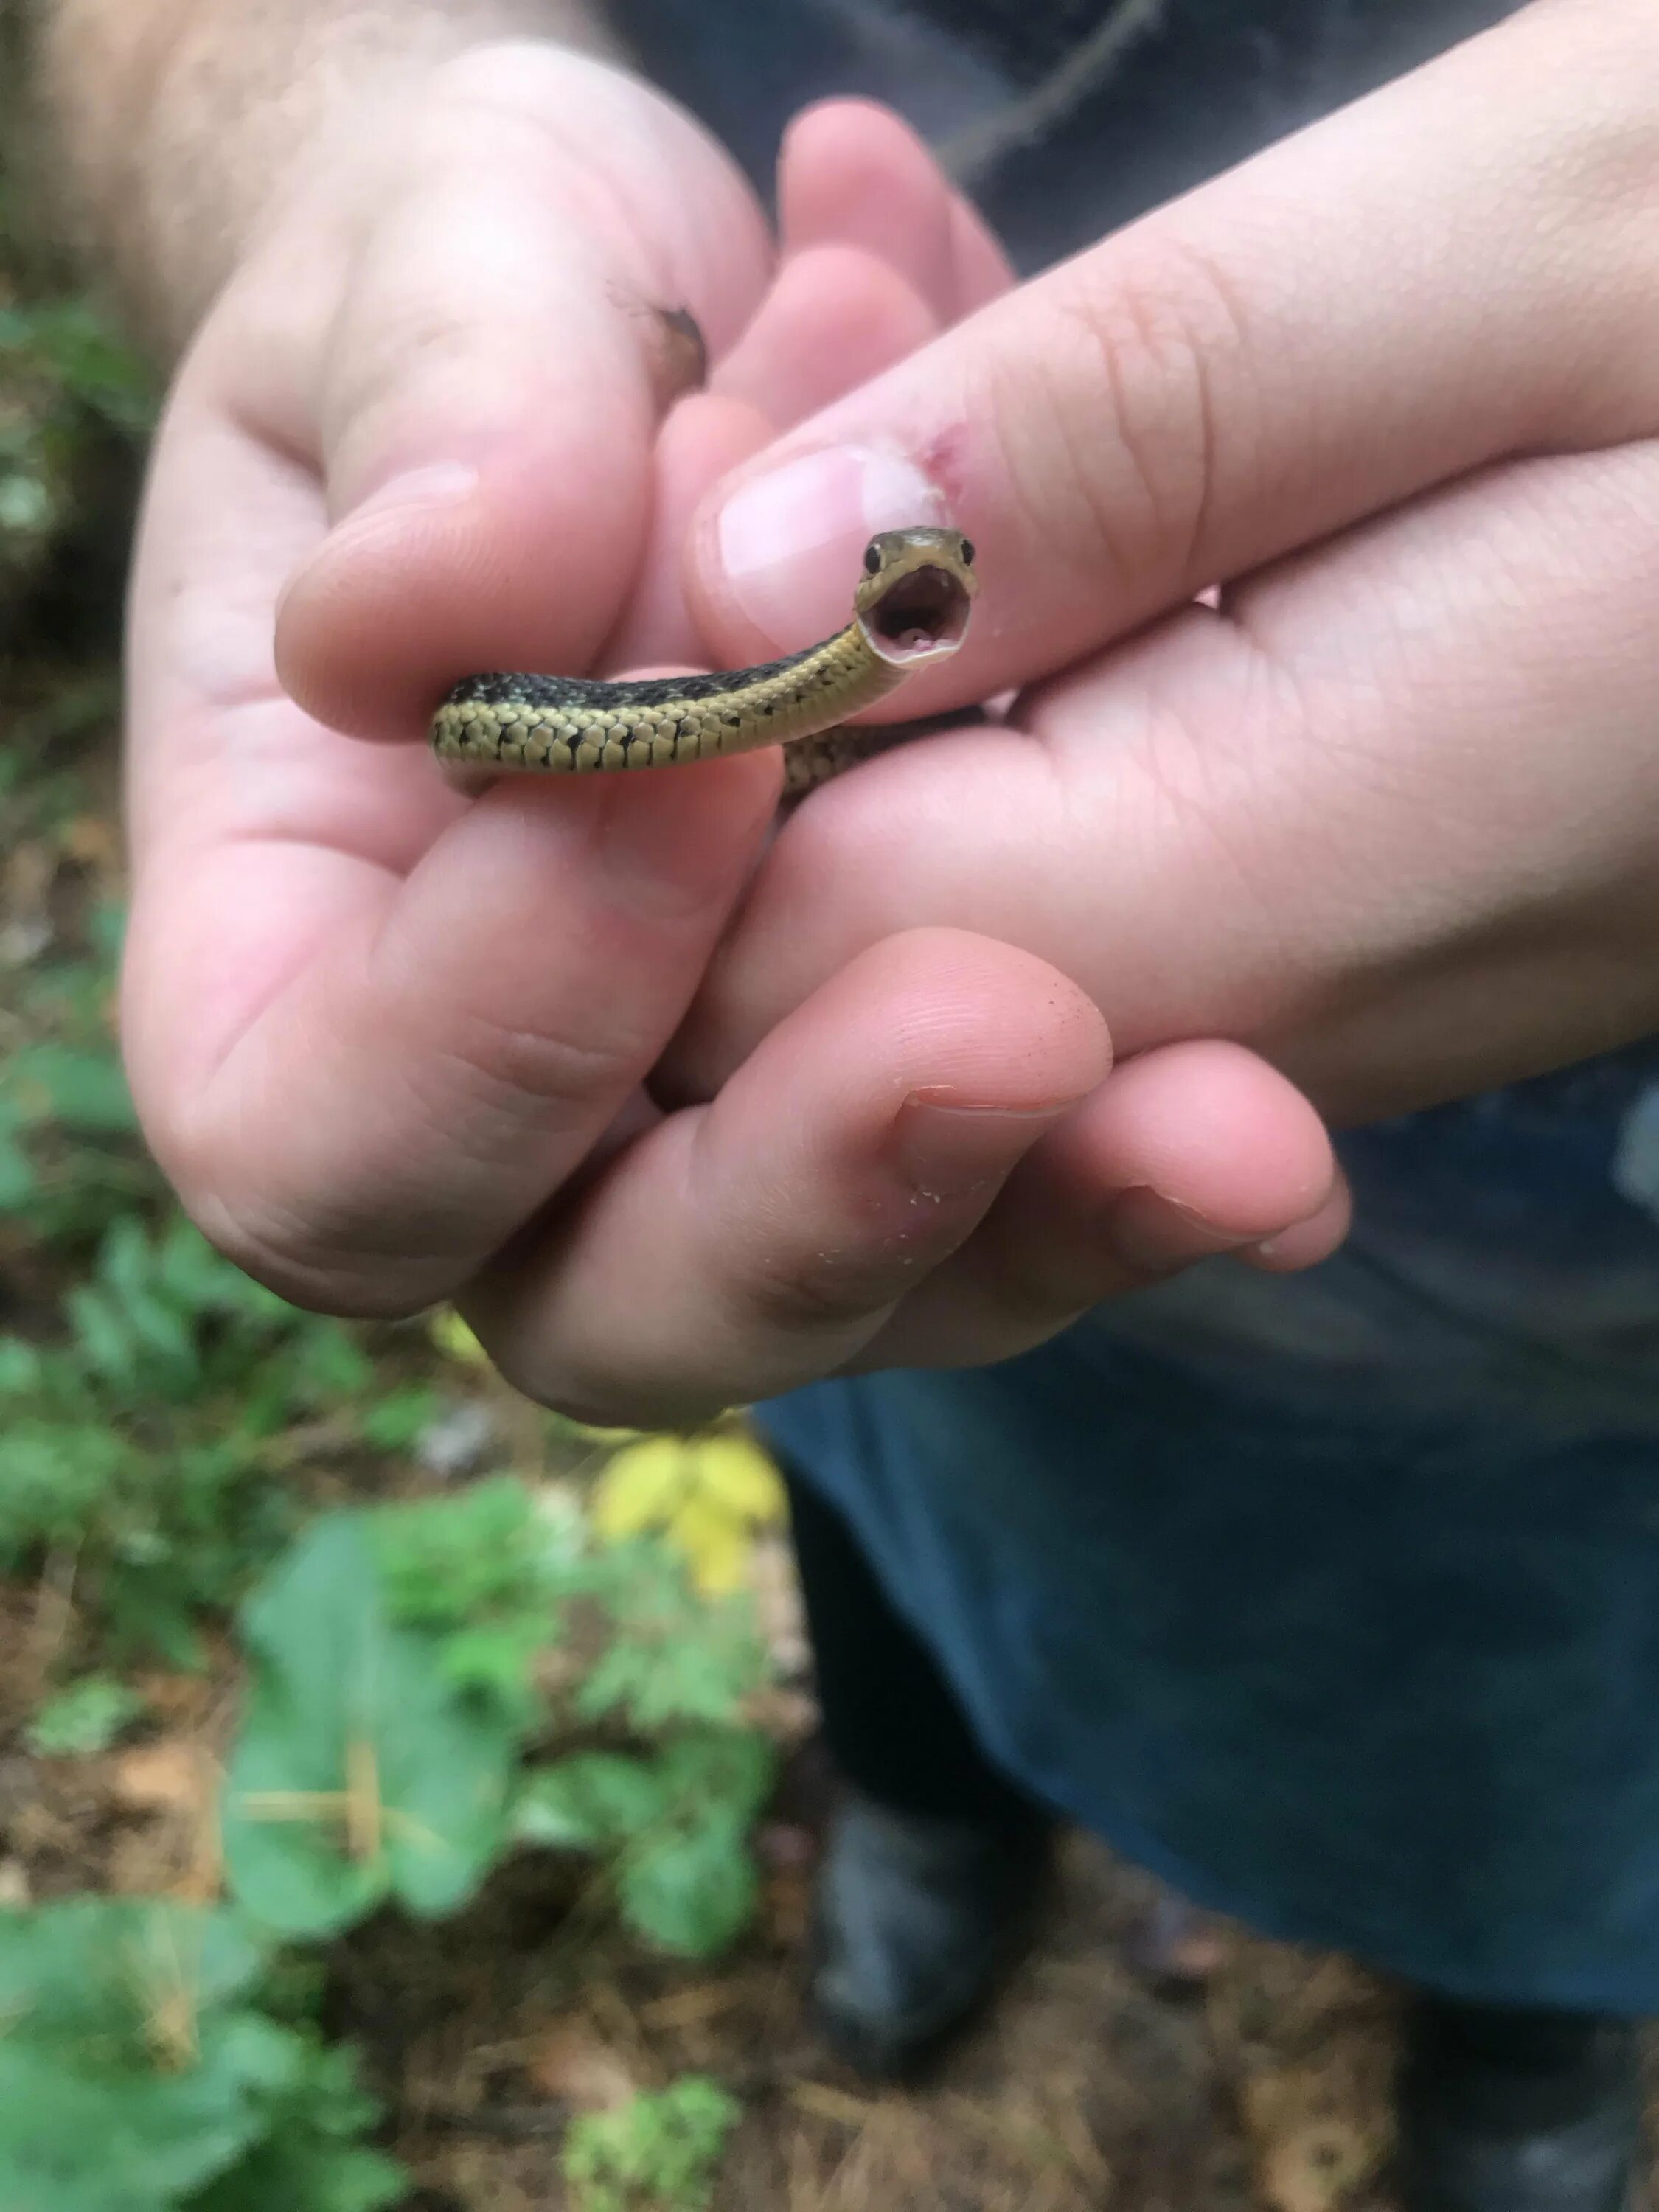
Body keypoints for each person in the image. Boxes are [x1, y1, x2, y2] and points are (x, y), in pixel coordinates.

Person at [32, 1, 1659, 2205]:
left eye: (910, 589)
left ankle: (1521, 2036)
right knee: (886, 1484)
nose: (901, 584)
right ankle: (919, 1810)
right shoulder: (805, 663)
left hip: (1586, 1381)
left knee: (1552, 1719)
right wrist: (342, 146)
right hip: (860, 1180)